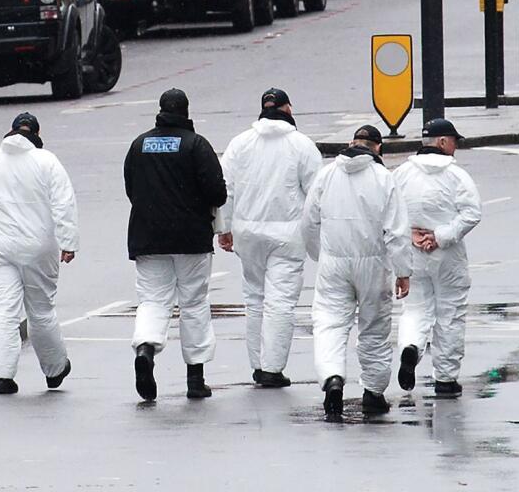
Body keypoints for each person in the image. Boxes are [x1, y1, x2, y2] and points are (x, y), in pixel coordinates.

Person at [124, 88, 228, 401]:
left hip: (147, 236)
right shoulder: (196, 145)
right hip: (191, 238)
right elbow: (217, 193)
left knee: (153, 300)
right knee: (194, 303)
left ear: (160, 109)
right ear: (186, 112)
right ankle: (195, 379)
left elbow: (131, 188)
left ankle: (145, 350)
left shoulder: (139, 144)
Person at [216, 88, 323, 388]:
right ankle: (272, 368)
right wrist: (316, 240)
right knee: (281, 302)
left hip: (247, 234)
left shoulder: (240, 143)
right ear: (288, 109)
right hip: (287, 235)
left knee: (255, 299)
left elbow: (226, 189)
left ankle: (256, 365)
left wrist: (224, 229)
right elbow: (316, 196)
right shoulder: (302, 146)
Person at [0, 112, 78, 395]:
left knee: (3, 311)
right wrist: (68, 241)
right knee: (41, 310)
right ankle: (54, 369)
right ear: (37, 134)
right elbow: (63, 203)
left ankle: (2, 376)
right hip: (39, 246)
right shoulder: (46, 161)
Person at [303, 125, 411, 419]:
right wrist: (403, 271)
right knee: (374, 328)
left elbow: (308, 221)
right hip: (373, 263)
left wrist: (319, 254)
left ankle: (333, 379)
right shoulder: (383, 178)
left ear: (351, 144)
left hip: (334, 262)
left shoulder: (327, 175)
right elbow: (397, 231)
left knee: (329, 322)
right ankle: (373, 393)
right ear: (378, 148)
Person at [394, 118, 483, 398]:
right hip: (447, 256)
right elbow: (472, 213)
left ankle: (410, 347)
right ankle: (445, 378)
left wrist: (410, 235)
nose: (456, 147)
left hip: (412, 253)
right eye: (454, 141)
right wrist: (441, 236)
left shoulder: (402, 173)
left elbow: (389, 211)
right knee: (450, 314)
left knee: (415, 308)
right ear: (443, 142)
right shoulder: (457, 176)